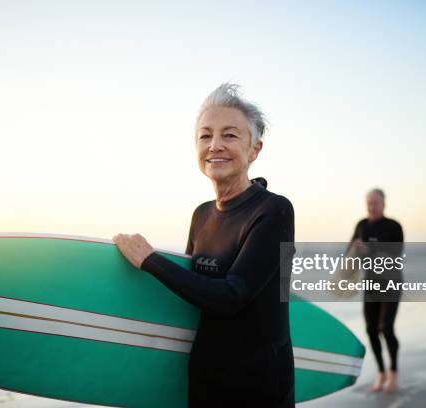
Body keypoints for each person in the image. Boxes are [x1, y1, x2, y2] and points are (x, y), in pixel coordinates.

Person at [112, 83, 295, 407]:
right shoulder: (202, 215)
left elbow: (231, 296)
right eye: (205, 135)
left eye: (230, 135)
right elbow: (191, 294)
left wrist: (150, 260)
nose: (215, 145)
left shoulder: (274, 210)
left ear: (255, 150)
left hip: (258, 388)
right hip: (205, 381)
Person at [349, 188, 403, 393]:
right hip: (370, 284)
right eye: (369, 203)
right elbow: (351, 252)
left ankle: (394, 371)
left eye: (375, 203)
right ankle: (381, 372)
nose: (372, 207)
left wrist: (368, 251)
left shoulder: (394, 227)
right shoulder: (361, 225)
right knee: (371, 329)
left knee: (386, 327)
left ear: (383, 204)